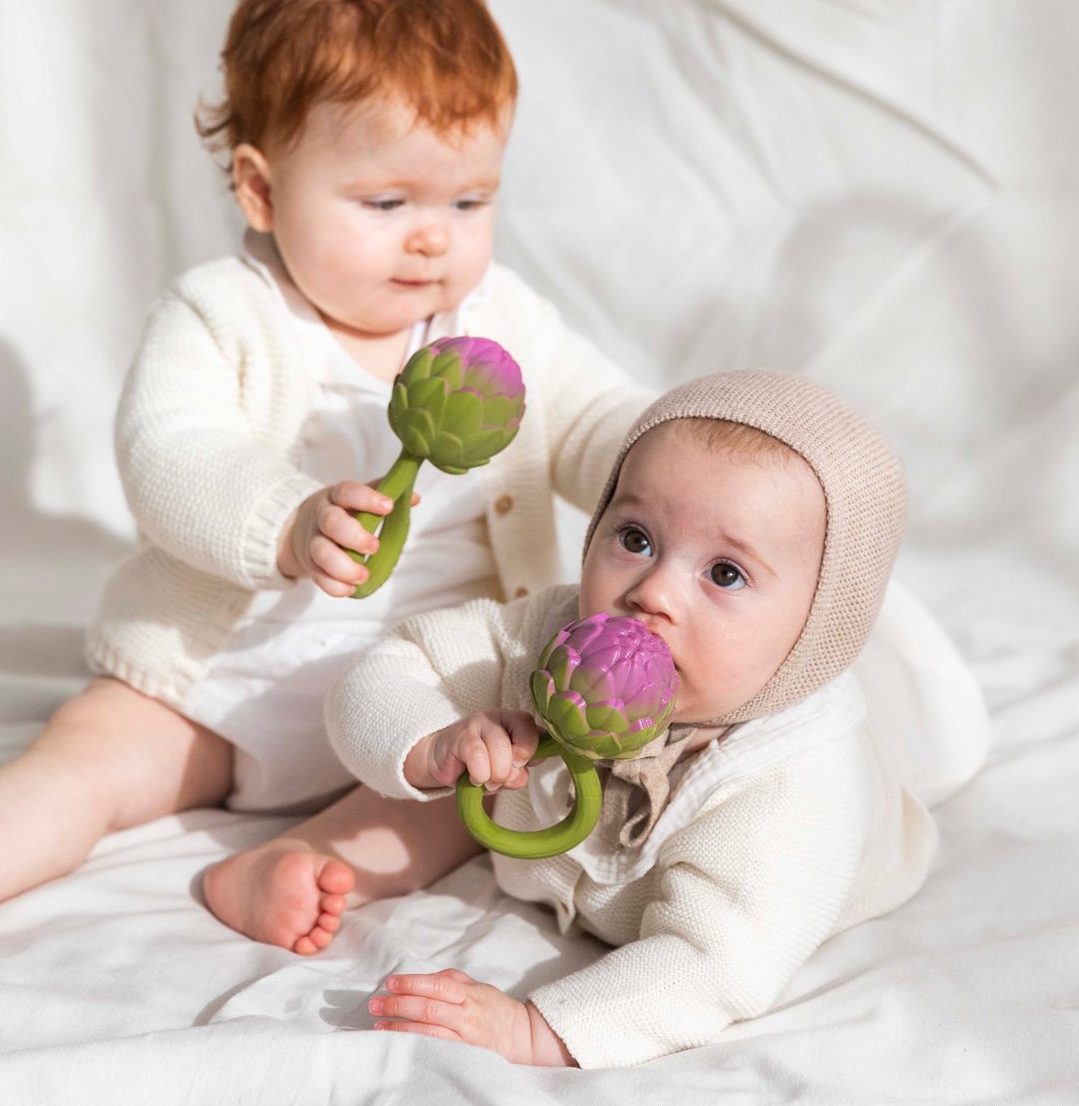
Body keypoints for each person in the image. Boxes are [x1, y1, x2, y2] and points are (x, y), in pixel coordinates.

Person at [0, 0, 653, 958]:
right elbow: (170, 453)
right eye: (387, 204)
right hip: (219, 683)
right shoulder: (226, 315)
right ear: (260, 187)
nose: (434, 240)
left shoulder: (505, 322)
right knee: (90, 755)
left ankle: (284, 864)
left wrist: (673, 463)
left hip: (423, 699)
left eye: (468, 202)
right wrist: (283, 520)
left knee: (465, 802)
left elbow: (600, 420)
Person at [245, 369, 988, 1068]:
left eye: (724, 574)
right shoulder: (550, 628)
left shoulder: (798, 781)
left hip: (795, 855)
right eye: (635, 539)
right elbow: (391, 667)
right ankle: (287, 864)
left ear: (818, 623)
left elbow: (713, 968)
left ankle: (924, 696)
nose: (653, 592)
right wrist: (430, 742)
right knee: (457, 764)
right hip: (546, 837)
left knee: (930, 743)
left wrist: (536, 1028)